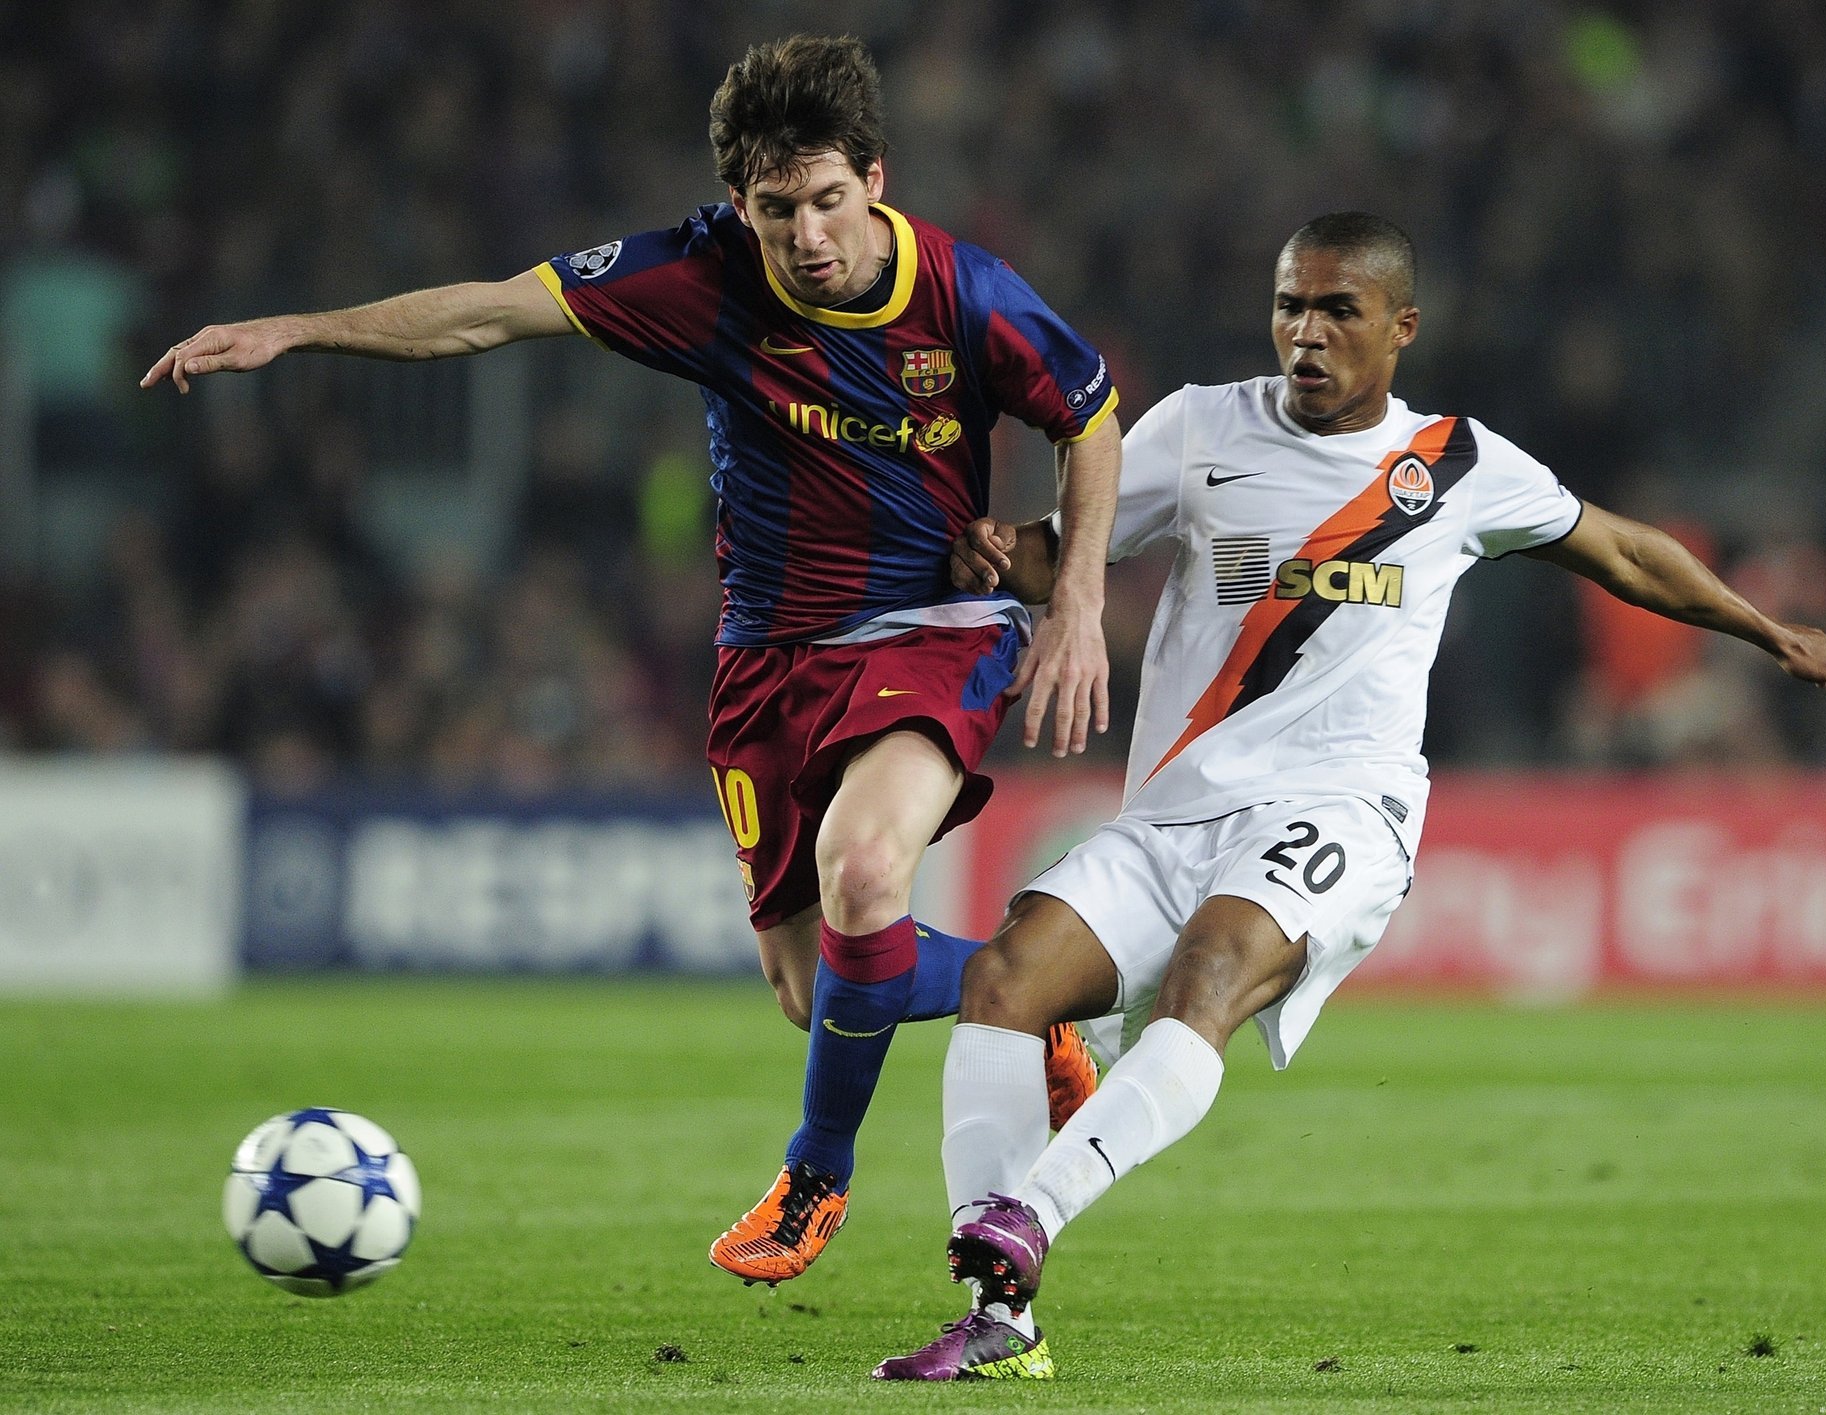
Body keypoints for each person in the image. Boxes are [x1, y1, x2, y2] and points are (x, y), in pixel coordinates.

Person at [142, 34, 1116, 1288]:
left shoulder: (967, 292)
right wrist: (296, 331)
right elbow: (486, 313)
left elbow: (1090, 416)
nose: (809, 236)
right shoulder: (700, 276)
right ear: (738, 201)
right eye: (777, 209)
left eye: (829, 199)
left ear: (875, 177)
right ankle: (1024, 991)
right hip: (766, 654)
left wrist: (1076, 596)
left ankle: (814, 1174)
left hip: (931, 624)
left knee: (867, 869)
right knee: (811, 985)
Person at [874, 211, 1826, 1381]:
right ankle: (999, 1318)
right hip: (1173, 812)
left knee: (1208, 973)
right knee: (1002, 980)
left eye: (1337, 310)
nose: (1306, 332)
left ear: (1401, 327)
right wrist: (995, 550)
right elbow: (1064, 552)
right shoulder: (1198, 426)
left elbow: (1626, 552)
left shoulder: (1456, 465)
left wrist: (1766, 629)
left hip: (1342, 812)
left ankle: (1030, 1215)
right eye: (1290, 305)